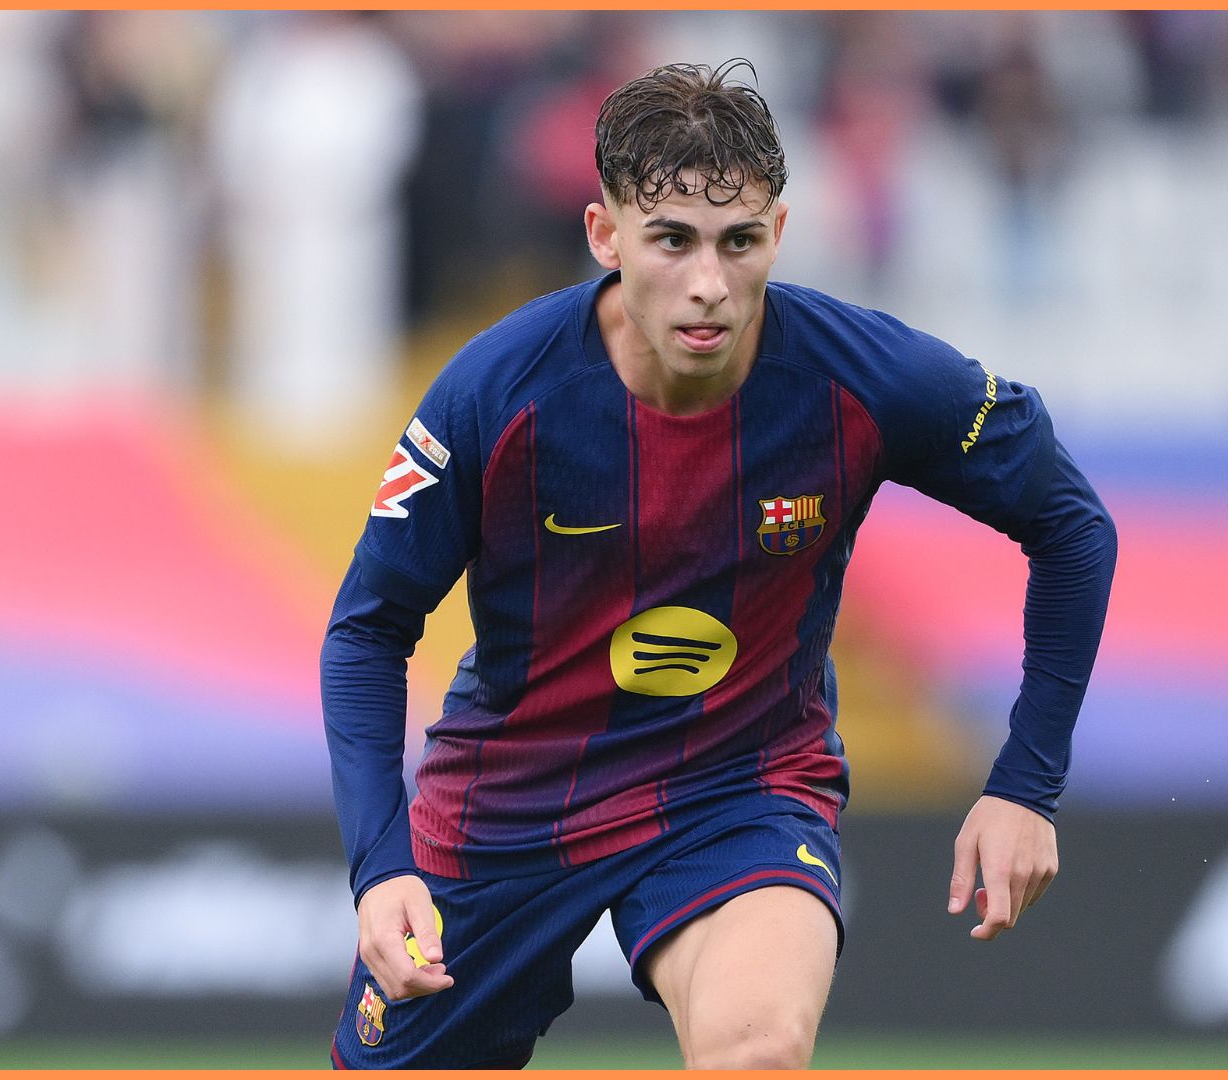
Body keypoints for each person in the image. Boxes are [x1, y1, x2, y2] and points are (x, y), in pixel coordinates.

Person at [321, 59, 1117, 1070]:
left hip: (739, 789)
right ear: (605, 236)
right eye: (672, 241)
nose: (709, 284)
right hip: (508, 803)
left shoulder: (870, 379)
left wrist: (1025, 785)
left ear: (778, 235)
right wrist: (381, 869)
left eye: (739, 243)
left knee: (758, 1054)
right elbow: (369, 629)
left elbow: (1074, 527)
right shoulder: (493, 393)